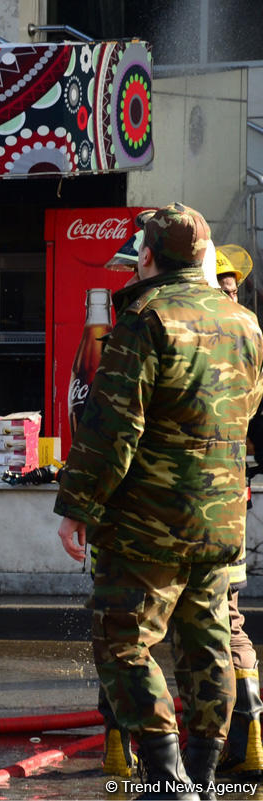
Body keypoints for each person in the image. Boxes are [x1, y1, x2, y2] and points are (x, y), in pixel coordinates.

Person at [55, 203, 263, 799]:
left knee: (123, 637)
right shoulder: (245, 323)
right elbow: (248, 416)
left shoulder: (144, 316)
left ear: (146, 257)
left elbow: (111, 428)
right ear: (203, 259)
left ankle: (167, 777)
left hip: (150, 521)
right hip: (221, 517)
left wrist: (78, 507)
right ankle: (204, 772)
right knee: (208, 638)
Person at [215, 245, 263, 776]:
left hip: (173, 502)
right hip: (229, 493)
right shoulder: (250, 331)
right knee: (227, 619)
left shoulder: (183, 327)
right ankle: (248, 735)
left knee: (134, 627)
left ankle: (135, 750)